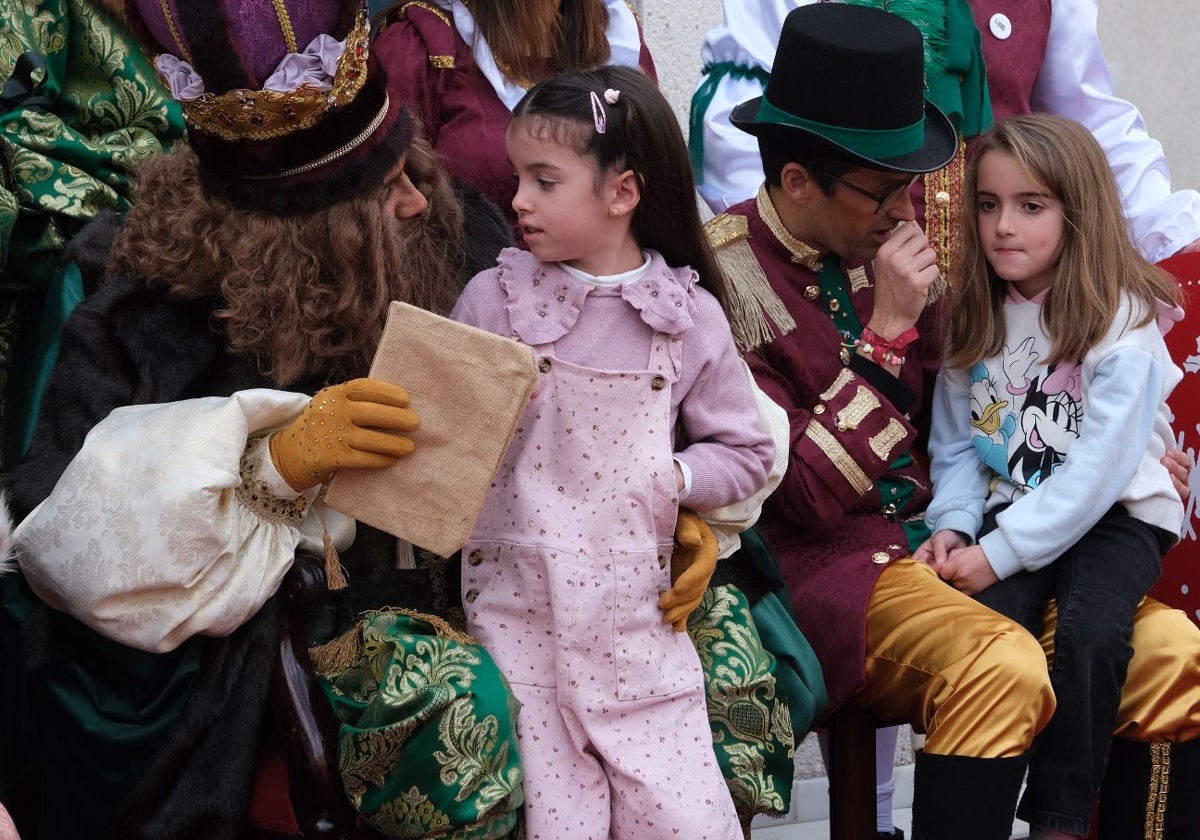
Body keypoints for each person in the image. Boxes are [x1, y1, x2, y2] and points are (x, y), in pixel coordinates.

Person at [0, 0, 525, 836]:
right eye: (386, 192)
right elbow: (63, 538)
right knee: (459, 717)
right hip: (298, 658)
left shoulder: (462, 236)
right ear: (307, 233)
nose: (420, 204)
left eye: (410, 171)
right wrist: (266, 468)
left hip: (510, 584)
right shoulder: (144, 309)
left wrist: (678, 498)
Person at [704, 5, 1200, 838]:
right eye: (882, 189)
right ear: (799, 183)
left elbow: (1012, 404)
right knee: (998, 664)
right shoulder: (725, 280)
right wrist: (889, 335)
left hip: (973, 544)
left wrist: (1136, 457)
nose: (907, 209)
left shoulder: (903, 250)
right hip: (831, 570)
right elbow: (805, 499)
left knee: (1173, 658)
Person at [449, 64, 774, 840]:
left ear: (621, 192)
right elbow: (441, 439)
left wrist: (675, 479)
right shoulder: (494, 301)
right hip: (517, 617)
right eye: (517, 176)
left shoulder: (682, 315)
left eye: (544, 180)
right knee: (560, 825)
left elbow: (746, 448)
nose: (518, 200)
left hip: (636, 626)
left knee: (686, 819)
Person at [918, 112, 1187, 840]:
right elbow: (960, 449)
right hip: (1022, 509)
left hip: (1117, 515)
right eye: (989, 204)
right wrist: (954, 526)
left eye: (1031, 206)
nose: (1004, 226)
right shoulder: (972, 316)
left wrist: (998, 552)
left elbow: (1098, 474)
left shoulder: (1117, 319)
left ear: (1078, 213)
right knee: (991, 642)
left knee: (1092, 636)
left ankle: (1059, 822)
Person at [691, 0, 1200, 263]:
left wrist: (1168, 236)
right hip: (844, 284)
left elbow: (1090, 122)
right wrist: (790, 260)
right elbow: (744, 112)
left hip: (1000, 290)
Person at [372, 0, 656, 234]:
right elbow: (387, 217)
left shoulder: (619, 39)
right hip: (465, 293)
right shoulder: (421, 46)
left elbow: (653, 186)